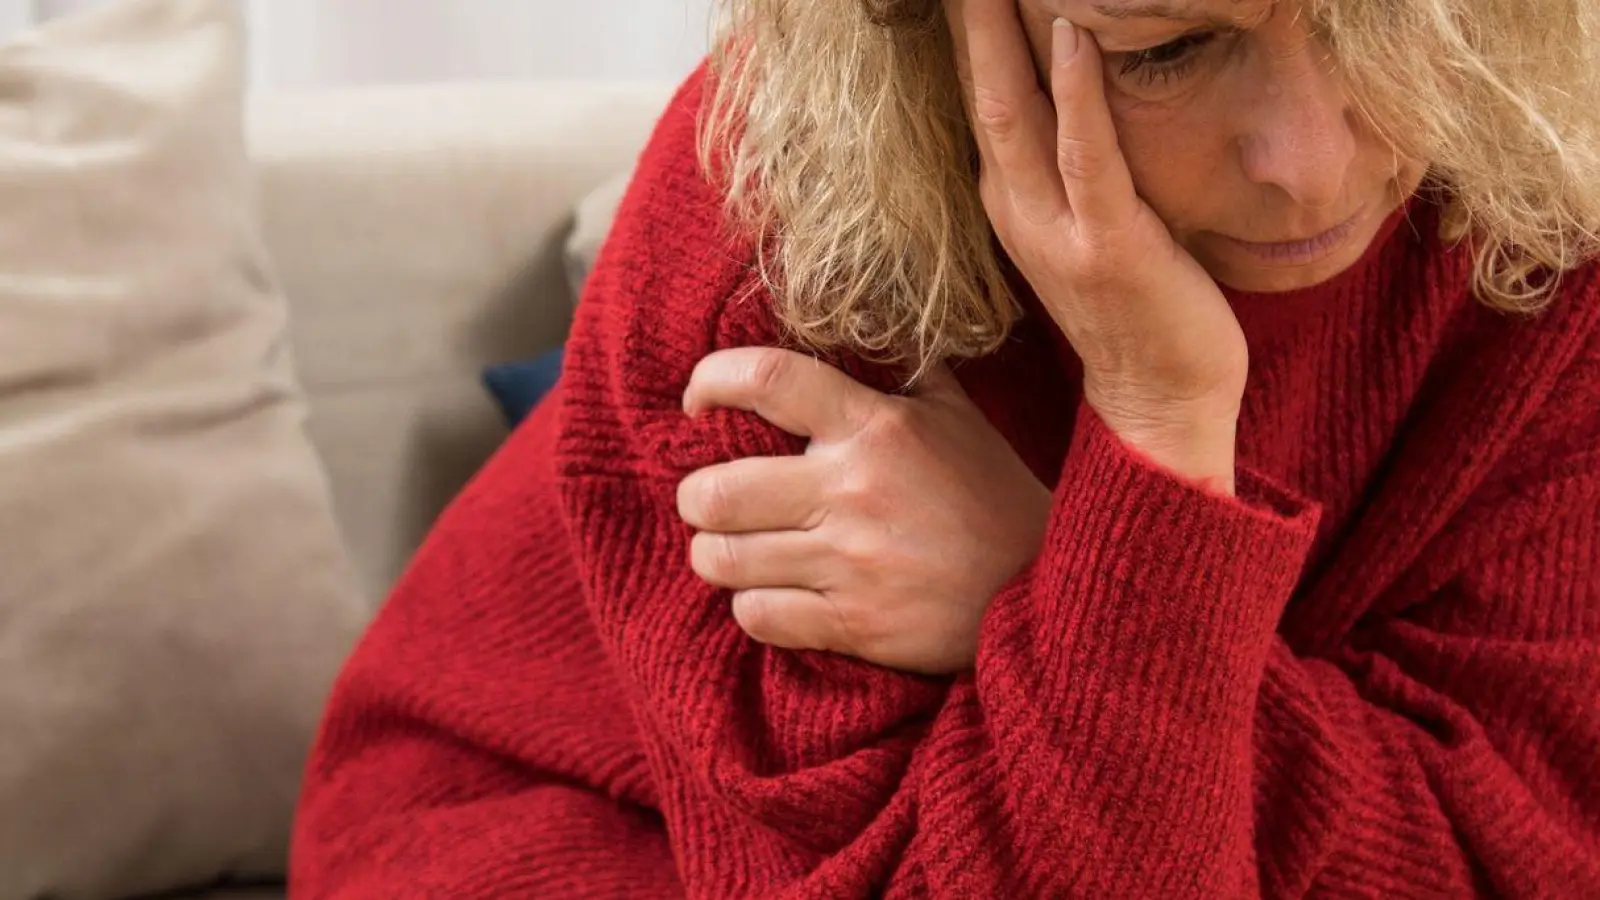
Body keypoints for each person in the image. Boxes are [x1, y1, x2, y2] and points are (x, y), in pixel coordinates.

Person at [290, 0, 1600, 896]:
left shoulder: (1544, 193)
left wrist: (1058, 571)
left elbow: (1533, 855)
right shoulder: (765, 267)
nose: (1310, 165)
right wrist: (1158, 419)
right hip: (557, 840)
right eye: (1167, 46)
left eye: (1388, 14)